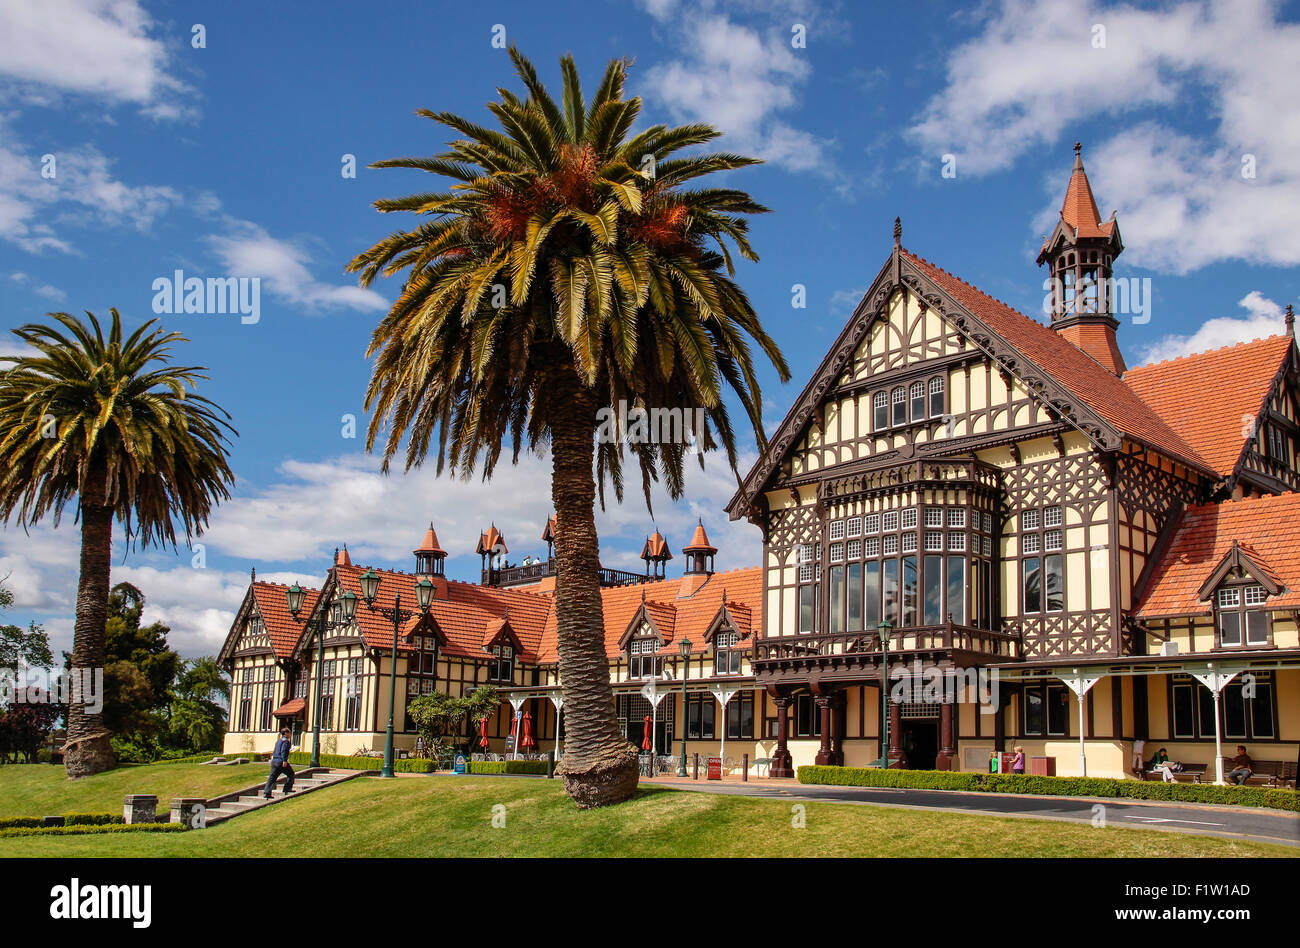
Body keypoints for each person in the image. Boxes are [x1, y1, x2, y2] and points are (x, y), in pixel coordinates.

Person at [264, 726, 295, 798]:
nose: (290, 735)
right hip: (281, 761)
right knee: (291, 773)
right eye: (289, 733)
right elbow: (283, 751)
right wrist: (284, 760)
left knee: (272, 777)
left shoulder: (279, 741)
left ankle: (267, 792)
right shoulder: (286, 741)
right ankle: (287, 788)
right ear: (286, 733)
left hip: (274, 761)